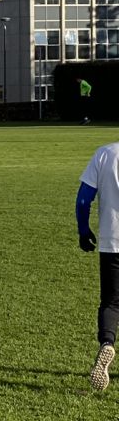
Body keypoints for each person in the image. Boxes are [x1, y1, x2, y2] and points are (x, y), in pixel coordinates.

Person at [75, 137, 119, 391]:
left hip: (112, 241)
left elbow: (84, 199)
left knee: (111, 301)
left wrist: (83, 230)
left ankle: (107, 343)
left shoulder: (105, 154)